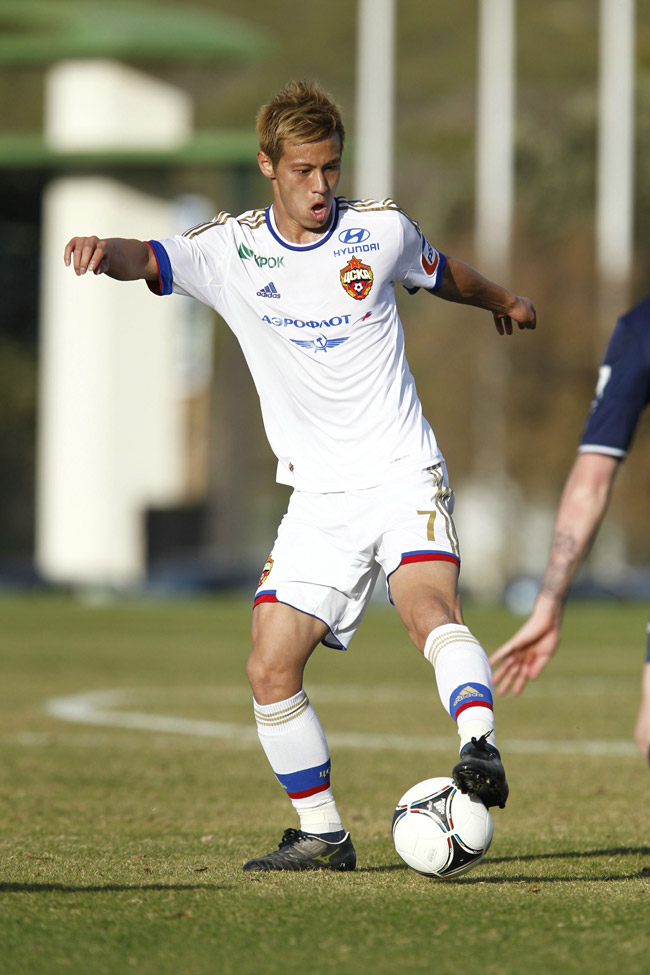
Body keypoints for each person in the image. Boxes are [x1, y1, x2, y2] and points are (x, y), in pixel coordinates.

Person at [64, 81, 536, 872]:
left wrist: (507, 299)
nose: (322, 187)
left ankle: (478, 745)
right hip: (318, 495)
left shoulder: (378, 231)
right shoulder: (230, 250)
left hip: (400, 470)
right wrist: (98, 248)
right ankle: (324, 834)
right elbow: (146, 256)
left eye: (331, 169)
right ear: (268, 166)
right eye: (305, 171)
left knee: (426, 609)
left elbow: (441, 271)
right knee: (269, 662)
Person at [490, 295, 650, 766]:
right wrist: (548, 603)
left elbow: (589, 485)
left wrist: (548, 604)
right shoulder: (641, 329)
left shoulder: (640, 327)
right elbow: (589, 484)